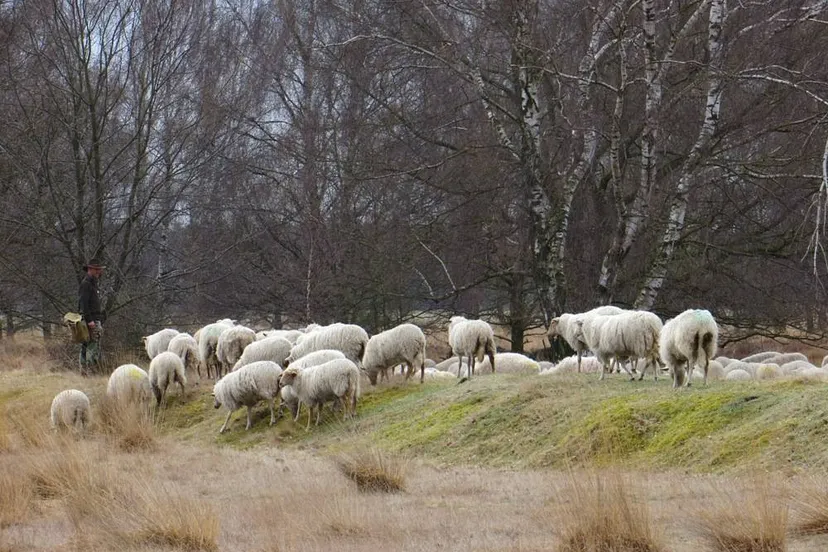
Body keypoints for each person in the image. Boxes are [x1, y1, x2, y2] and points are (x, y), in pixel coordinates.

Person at [78, 257, 106, 375]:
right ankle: (90, 372)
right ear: (90, 269)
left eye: (99, 269)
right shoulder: (86, 284)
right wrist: (90, 320)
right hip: (91, 320)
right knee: (92, 346)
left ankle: (85, 372)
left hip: (92, 319)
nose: (99, 272)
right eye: (96, 269)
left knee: (87, 345)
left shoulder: (92, 283)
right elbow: (84, 304)